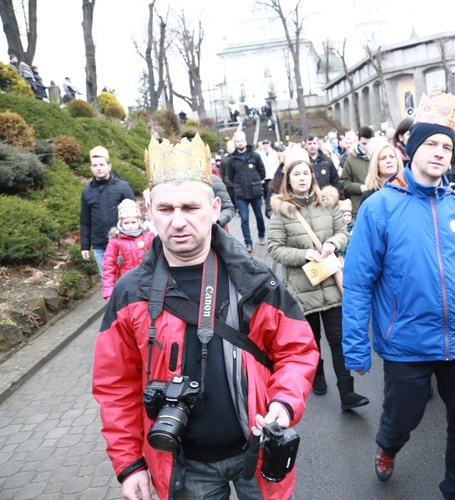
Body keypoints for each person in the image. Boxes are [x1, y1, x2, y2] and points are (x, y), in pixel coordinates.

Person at [92, 134, 318, 500]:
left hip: (257, 450)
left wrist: (284, 402)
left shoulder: (254, 279)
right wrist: (129, 463)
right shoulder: (130, 293)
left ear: (214, 209)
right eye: (166, 209)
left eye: (190, 208)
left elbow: (298, 350)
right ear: (150, 213)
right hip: (181, 465)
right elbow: (115, 385)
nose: (178, 221)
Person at [343, 93, 455, 497]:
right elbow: (358, 281)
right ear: (411, 148)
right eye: (431, 144)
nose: (439, 153)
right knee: (403, 417)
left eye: (446, 146)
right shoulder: (379, 208)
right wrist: (355, 348)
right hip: (405, 341)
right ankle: (388, 445)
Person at [267, 150, 368, 411]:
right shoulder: (281, 212)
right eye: (296, 174)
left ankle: (347, 394)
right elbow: (274, 248)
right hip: (302, 287)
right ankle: (318, 373)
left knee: (338, 339)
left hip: (332, 282)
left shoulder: (328, 202)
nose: (302, 178)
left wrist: (333, 244)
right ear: (288, 179)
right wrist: (303, 254)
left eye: (305, 173)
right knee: (312, 340)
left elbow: (342, 232)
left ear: (313, 176)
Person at [80, 146, 136, 276]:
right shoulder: (87, 192)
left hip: (124, 242)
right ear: (91, 168)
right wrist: (85, 246)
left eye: (101, 164)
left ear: (109, 166)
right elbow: (85, 221)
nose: (98, 168)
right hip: (100, 246)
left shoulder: (122, 187)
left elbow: (135, 214)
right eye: (95, 165)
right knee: (108, 280)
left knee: (128, 278)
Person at [101, 199, 155, 301]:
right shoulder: (115, 242)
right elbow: (109, 267)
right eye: (126, 223)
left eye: (133, 222)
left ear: (139, 222)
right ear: (121, 224)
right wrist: (109, 291)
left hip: (149, 282)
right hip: (127, 284)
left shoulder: (149, 237)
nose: (130, 226)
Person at [226, 131, 266, 252]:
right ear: (235, 143)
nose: (240, 143)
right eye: (237, 141)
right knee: (244, 219)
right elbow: (230, 176)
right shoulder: (232, 160)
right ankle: (248, 242)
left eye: (242, 140)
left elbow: (262, 172)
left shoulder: (255, 156)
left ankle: (261, 234)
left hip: (255, 191)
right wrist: (238, 185)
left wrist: (255, 181)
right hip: (241, 194)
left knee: (259, 215)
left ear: (246, 142)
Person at [340, 126, 375, 218]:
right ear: (358, 141)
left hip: (377, 203)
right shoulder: (351, 160)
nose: (367, 147)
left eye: (370, 143)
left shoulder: (378, 157)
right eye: (364, 143)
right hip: (359, 206)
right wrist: (360, 187)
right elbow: (344, 182)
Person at [359, 142, 404, 207]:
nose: (389, 161)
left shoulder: (407, 190)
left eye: (392, 157)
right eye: (383, 158)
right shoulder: (369, 196)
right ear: (376, 164)